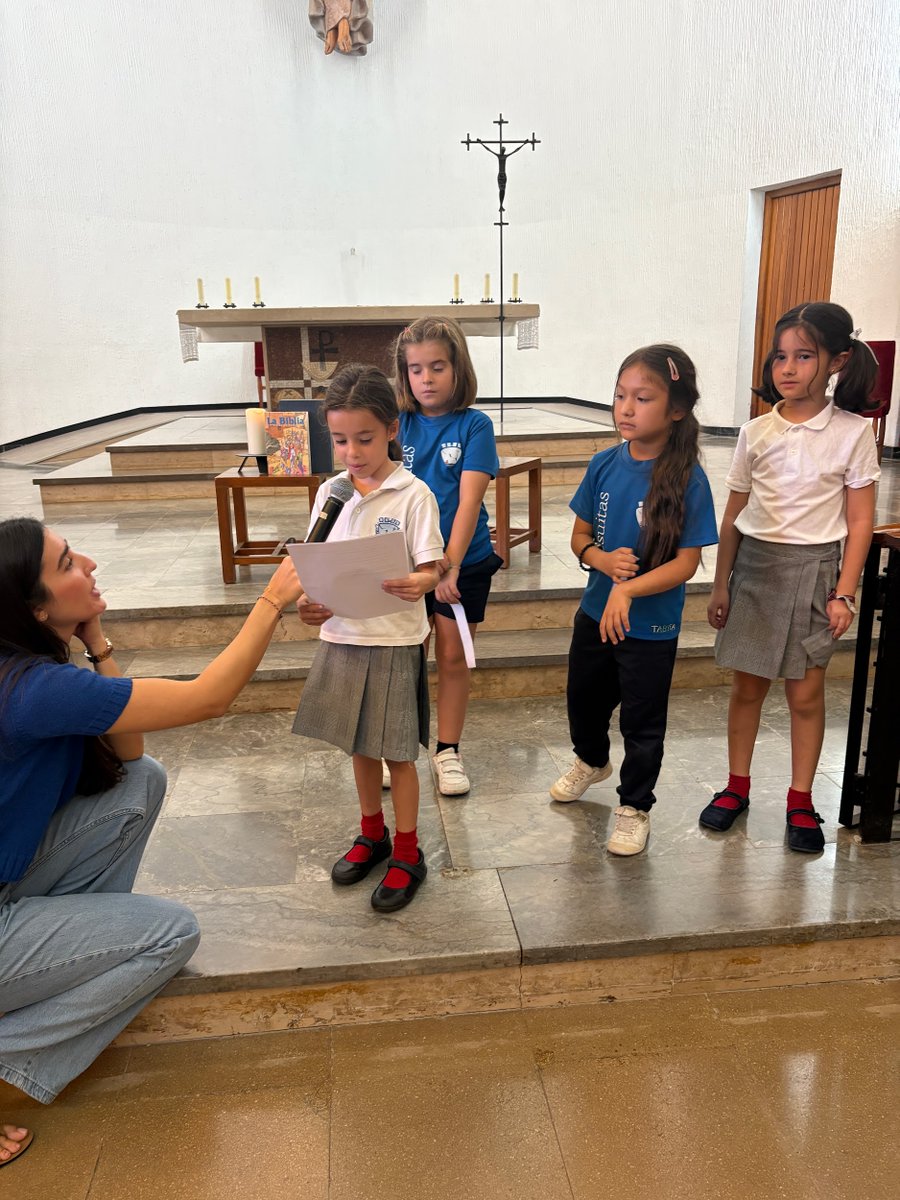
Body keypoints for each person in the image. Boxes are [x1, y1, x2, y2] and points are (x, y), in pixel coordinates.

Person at [0, 516, 303, 1148]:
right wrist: (273, 601)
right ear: (33, 609)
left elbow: (130, 754)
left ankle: (64, 952)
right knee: (169, 933)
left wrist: (96, 640)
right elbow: (207, 699)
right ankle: (12, 1056)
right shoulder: (34, 692)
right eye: (66, 564)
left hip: (9, 887)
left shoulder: (26, 669)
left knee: (142, 783)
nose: (89, 563)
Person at [702, 302, 880, 851]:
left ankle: (801, 799)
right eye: (781, 356)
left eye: (804, 356)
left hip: (817, 572)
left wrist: (844, 594)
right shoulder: (756, 431)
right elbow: (734, 514)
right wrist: (720, 582)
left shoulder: (852, 433)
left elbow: (859, 520)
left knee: (805, 695)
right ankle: (736, 786)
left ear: (837, 362)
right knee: (747, 687)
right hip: (756, 568)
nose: (788, 367)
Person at [550, 345, 719, 856]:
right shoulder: (604, 464)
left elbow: (686, 564)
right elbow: (580, 537)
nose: (625, 408)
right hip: (596, 616)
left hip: (650, 629)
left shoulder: (689, 479)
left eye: (641, 398)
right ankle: (591, 760)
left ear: (676, 409)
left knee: (643, 723)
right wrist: (601, 562)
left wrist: (629, 587)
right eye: (620, 396)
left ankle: (635, 806)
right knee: (583, 701)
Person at [292, 364, 443, 912]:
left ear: (391, 429)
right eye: (339, 440)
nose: (352, 453)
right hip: (343, 634)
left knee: (397, 752)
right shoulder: (330, 494)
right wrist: (310, 604)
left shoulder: (413, 494)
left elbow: (433, 568)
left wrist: (418, 581)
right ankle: (372, 832)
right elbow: (316, 568)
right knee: (358, 745)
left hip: (394, 637)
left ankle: (408, 850)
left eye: (364, 439)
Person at [395, 317, 502, 796]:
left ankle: (447, 751)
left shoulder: (474, 424)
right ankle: (396, 747)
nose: (426, 379)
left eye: (437, 366)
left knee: (453, 656)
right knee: (401, 658)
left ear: (458, 368)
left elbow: (469, 501)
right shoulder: (396, 424)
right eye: (416, 369)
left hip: (464, 561)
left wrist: (449, 565)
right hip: (403, 561)